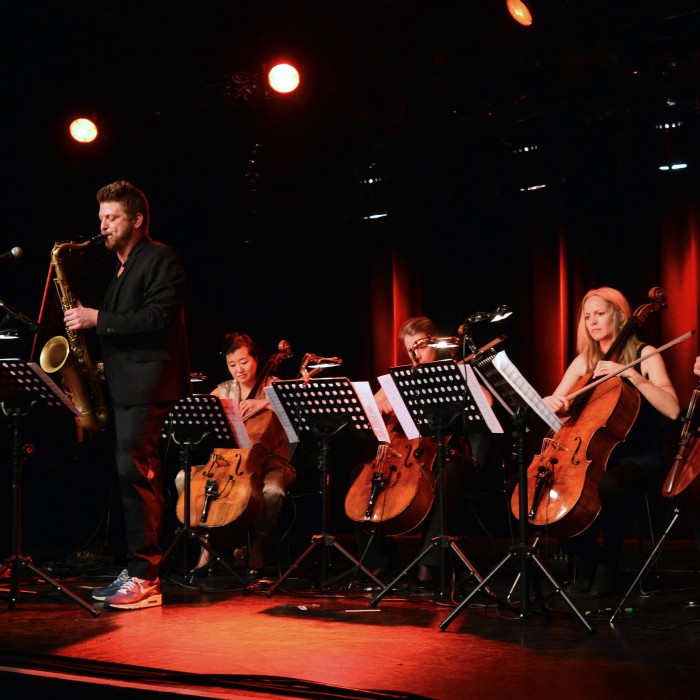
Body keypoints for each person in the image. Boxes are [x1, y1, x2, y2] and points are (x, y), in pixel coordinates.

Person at [64, 180, 191, 610]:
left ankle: (146, 577)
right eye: (100, 218)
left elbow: (157, 317)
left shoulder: (160, 257)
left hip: (148, 386)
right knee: (129, 477)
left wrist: (96, 318)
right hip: (126, 384)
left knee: (138, 476)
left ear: (136, 220)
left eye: (111, 218)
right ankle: (138, 569)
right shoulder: (121, 267)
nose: (102, 226)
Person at [542, 287, 680, 597]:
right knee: (542, 491)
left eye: (600, 314)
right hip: (590, 453)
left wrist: (632, 376)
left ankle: (609, 565)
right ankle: (589, 558)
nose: (592, 321)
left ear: (619, 316)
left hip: (637, 455)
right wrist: (554, 404)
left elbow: (672, 408)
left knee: (610, 485)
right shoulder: (584, 362)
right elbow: (558, 410)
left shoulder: (644, 354)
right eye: (587, 316)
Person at [361, 316, 493, 587]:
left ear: (435, 344)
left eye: (421, 348)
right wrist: (380, 406)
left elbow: (487, 402)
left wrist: (461, 383)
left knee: (443, 477)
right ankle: (381, 561)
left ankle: (428, 564)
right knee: (362, 478)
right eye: (411, 350)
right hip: (408, 454)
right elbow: (368, 413)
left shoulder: (455, 370)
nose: (416, 355)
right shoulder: (401, 378)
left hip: (450, 453)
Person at [178, 332, 295, 579]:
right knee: (182, 479)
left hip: (270, 463)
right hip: (227, 464)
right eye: (232, 364)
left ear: (256, 360)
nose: (238, 370)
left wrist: (264, 404)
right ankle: (207, 544)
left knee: (272, 491)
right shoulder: (223, 391)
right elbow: (201, 420)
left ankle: (257, 547)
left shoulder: (273, 386)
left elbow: (293, 410)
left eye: (244, 362)